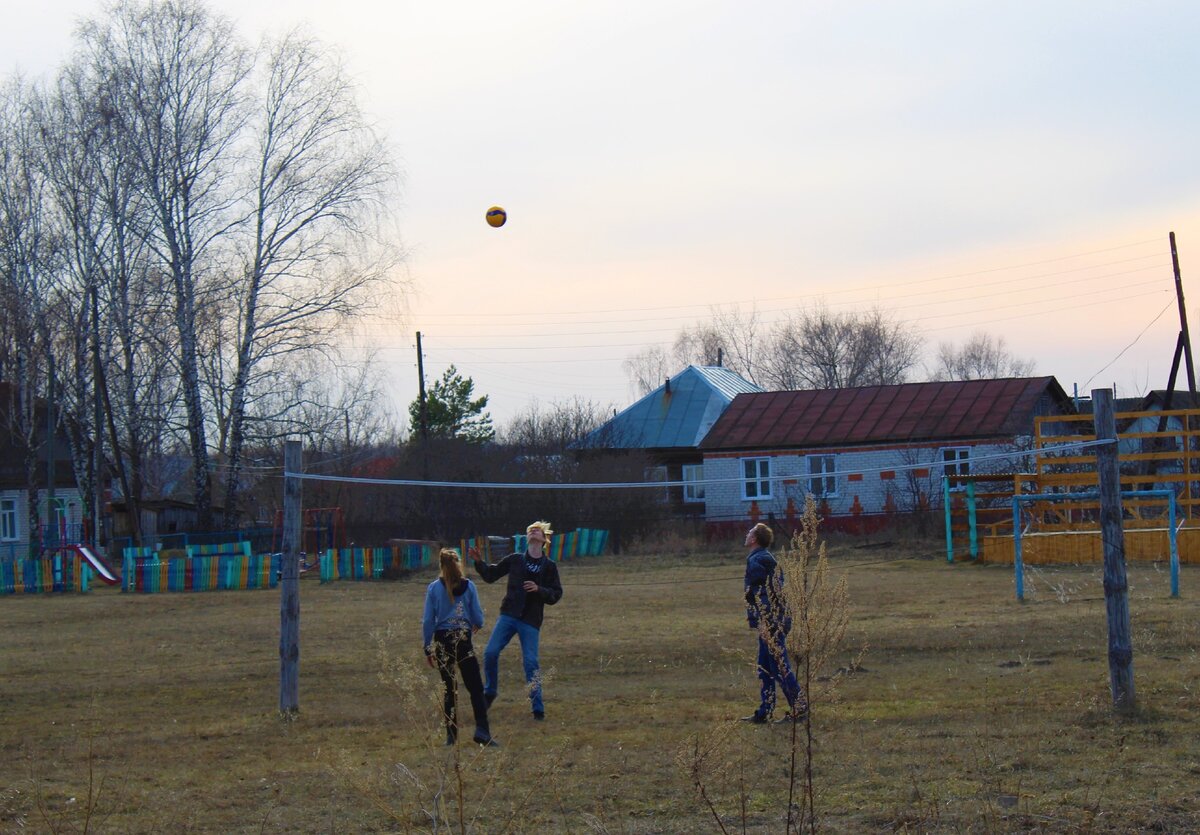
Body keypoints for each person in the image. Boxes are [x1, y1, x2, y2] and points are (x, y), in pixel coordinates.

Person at [470, 520, 563, 721]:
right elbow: (490, 575)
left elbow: (556, 594)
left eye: (537, 530)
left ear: (544, 539)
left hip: (530, 620)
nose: (533, 532)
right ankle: (490, 692)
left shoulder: (549, 567)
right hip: (509, 615)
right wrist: (479, 562)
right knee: (490, 652)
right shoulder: (515, 560)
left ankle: (538, 708)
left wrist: (540, 590)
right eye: (530, 531)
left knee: (531, 662)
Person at [422, 548, 496, 747]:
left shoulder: (433, 588)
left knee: (449, 688)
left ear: (440, 565)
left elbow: (429, 620)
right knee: (475, 688)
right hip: (463, 639)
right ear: (459, 564)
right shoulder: (469, 586)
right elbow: (478, 618)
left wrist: (427, 646)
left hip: (442, 640)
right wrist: (475, 624)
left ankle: (451, 736)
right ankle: (482, 731)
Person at [741, 522, 808, 724]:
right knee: (765, 666)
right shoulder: (764, 558)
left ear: (754, 539)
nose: (747, 534)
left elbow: (764, 595)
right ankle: (765, 711)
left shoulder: (757, 561)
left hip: (771, 620)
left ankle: (799, 707)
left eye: (750, 532)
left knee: (778, 666)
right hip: (777, 618)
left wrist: (764, 619)